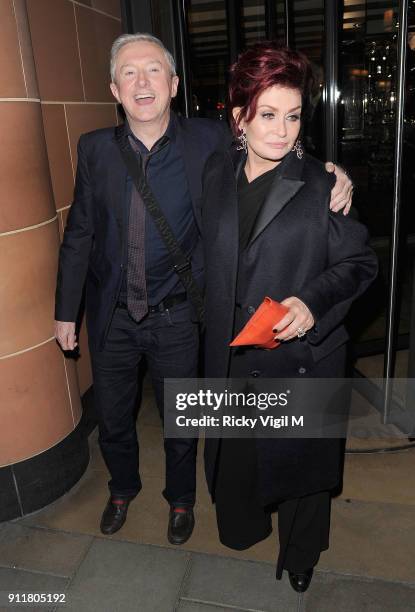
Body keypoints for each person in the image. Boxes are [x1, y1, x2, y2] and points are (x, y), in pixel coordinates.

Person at [54, 33, 353, 544]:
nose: (142, 82)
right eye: (129, 72)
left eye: (154, 71)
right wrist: (66, 311)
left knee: (181, 418)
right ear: (114, 87)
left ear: (173, 84)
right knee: (114, 416)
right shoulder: (94, 149)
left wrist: (329, 170)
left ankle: (181, 500)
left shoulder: (207, 141)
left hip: (178, 316)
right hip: (112, 316)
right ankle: (122, 488)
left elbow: (273, 136)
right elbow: (80, 231)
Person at [201, 42, 378, 592]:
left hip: (301, 354)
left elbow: (360, 262)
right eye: (268, 115)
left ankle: (302, 553)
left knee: (303, 470)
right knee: (237, 453)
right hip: (235, 351)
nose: (282, 130)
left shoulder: (322, 184)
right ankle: (244, 524)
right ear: (239, 117)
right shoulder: (215, 170)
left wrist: (313, 302)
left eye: (294, 116)